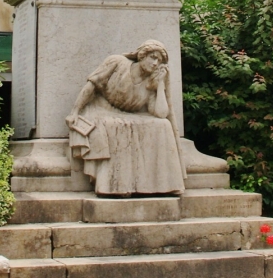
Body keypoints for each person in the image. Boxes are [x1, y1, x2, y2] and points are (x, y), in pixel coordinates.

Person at [66, 41, 186, 196]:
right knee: (114, 126)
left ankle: (163, 184)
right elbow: (92, 85)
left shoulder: (150, 81)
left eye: (159, 61)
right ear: (142, 56)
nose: (155, 63)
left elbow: (161, 114)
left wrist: (161, 84)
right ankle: (114, 186)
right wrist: (75, 111)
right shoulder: (117, 62)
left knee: (163, 125)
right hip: (100, 109)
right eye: (153, 57)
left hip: (127, 116)